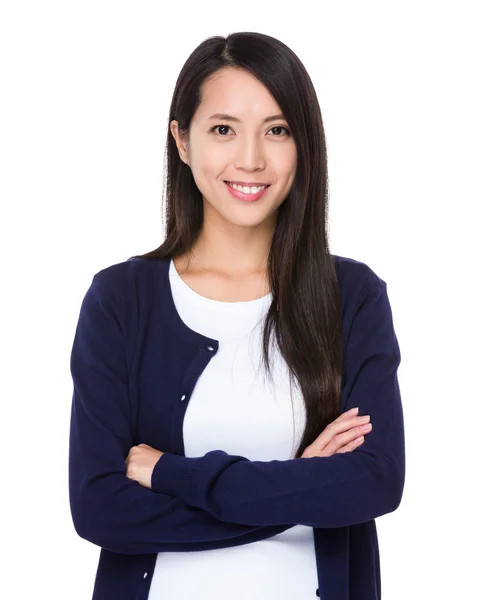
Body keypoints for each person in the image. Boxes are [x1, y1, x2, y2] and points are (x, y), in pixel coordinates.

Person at [68, 31, 405, 600]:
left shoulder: (352, 295)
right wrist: (298, 488)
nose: (250, 159)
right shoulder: (121, 300)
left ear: (304, 144)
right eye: (223, 129)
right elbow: (100, 509)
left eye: (277, 131)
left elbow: (374, 483)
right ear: (181, 139)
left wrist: (173, 474)